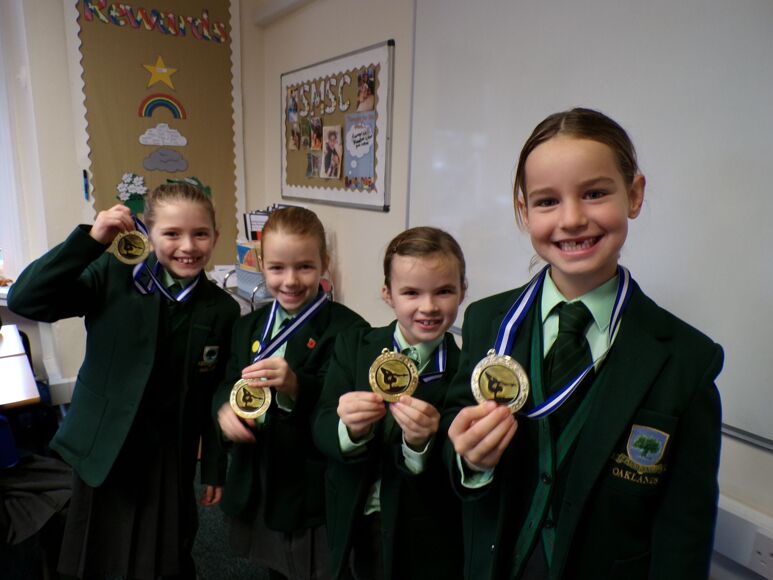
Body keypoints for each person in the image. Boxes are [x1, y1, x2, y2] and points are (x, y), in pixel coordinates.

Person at [443, 108, 724, 579]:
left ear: (634, 195)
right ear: (524, 212)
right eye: (547, 201)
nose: (572, 219)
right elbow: (454, 438)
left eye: (595, 194)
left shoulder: (686, 360)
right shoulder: (486, 321)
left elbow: (684, 534)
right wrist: (469, 460)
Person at [7, 180, 239, 579]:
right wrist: (91, 241)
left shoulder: (221, 309)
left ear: (215, 237)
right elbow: (25, 299)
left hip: (170, 456)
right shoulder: (114, 274)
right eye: (172, 234)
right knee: (96, 553)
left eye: (200, 234)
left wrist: (214, 467)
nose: (187, 246)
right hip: (105, 446)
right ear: (149, 233)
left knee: (164, 554)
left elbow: (215, 395)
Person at [214, 207, 367, 580]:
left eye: (305, 267)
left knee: (318, 569)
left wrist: (297, 386)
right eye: (277, 268)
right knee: (276, 567)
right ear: (261, 265)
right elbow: (227, 382)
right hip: (259, 474)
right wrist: (225, 410)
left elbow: (342, 406)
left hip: (308, 484)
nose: (290, 281)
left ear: (324, 263)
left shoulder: (349, 330)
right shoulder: (247, 327)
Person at [314, 227, 467, 580]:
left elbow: (459, 472)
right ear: (388, 294)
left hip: (422, 536)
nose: (428, 307)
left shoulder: (467, 372)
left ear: (462, 291)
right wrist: (348, 430)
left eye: (444, 291)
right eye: (411, 292)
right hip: (352, 517)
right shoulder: (353, 347)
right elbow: (320, 423)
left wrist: (421, 444)